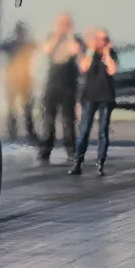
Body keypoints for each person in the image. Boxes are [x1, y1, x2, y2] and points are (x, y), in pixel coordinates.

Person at [68, 29, 118, 177]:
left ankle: (100, 163)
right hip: (89, 97)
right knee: (84, 131)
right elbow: (83, 68)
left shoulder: (111, 54)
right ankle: (78, 163)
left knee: (103, 132)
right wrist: (90, 50)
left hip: (106, 97)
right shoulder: (88, 53)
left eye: (103, 39)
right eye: (98, 38)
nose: (100, 41)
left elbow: (112, 70)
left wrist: (107, 53)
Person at [38, 13, 84, 164]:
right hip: (52, 84)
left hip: (69, 85)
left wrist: (69, 35)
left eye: (65, 24)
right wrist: (57, 35)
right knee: (48, 119)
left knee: (68, 120)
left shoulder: (75, 39)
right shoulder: (51, 37)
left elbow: (75, 50)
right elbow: (47, 50)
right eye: (60, 23)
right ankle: (45, 150)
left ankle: (71, 150)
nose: (62, 26)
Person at [0, 20, 38, 142]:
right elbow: (1, 47)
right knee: (14, 108)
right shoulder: (15, 44)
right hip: (13, 80)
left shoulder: (25, 44)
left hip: (23, 81)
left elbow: (36, 46)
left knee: (26, 107)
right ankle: (15, 132)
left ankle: (25, 132)